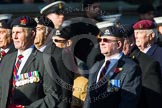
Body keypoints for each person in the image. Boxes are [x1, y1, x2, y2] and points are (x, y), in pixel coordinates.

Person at [0, 16, 59, 108]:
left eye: (19, 33)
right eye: (13, 33)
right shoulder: (6, 59)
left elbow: (53, 97)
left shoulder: (45, 60)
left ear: (32, 34)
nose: (14, 37)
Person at [84, 26, 141, 108]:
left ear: (118, 44)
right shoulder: (97, 65)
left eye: (106, 40)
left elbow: (128, 102)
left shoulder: (130, 68)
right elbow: (88, 98)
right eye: (100, 40)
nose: (102, 43)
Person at [121, 24, 162, 108]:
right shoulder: (115, 61)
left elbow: (154, 99)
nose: (137, 36)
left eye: (140, 32)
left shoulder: (148, 63)